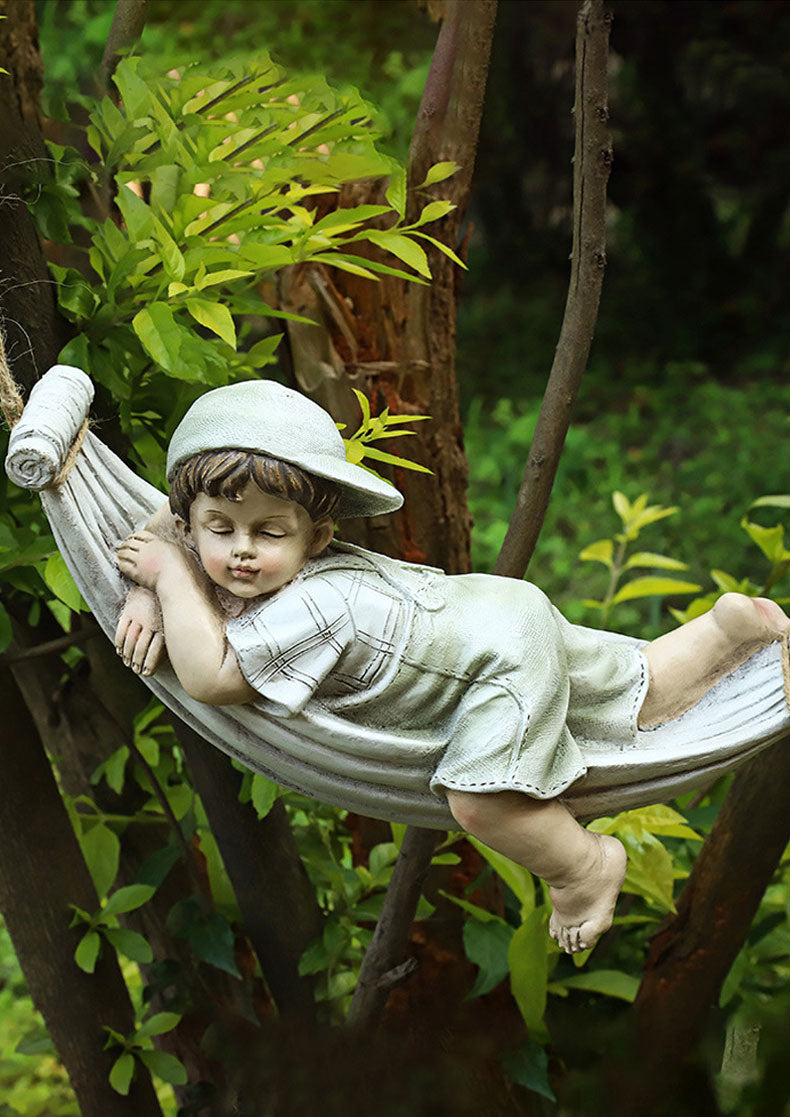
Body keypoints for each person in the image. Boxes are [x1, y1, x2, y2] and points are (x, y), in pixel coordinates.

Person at [115, 380, 790, 954]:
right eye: (219, 529)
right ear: (191, 520)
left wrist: (170, 579)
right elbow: (168, 520)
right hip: (493, 613)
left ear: (318, 537)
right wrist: (146, 585)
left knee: (481, 799)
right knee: (615, 700)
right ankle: (722, 632)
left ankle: (586, 864)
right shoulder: (229, 536)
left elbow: (210, 678)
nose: (240, 552)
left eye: (269, 533)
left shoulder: (314, 603)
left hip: (491, 667)